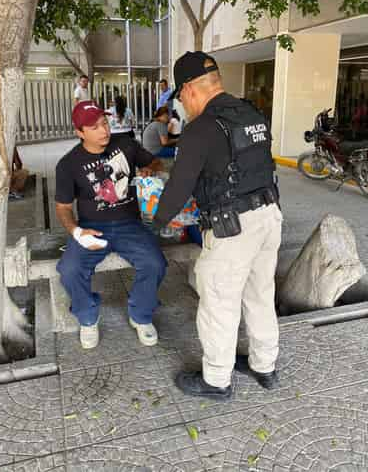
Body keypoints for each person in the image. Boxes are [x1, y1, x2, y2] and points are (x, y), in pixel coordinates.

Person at [153, 51, 282, 401]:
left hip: (234, 228)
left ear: (191, 89)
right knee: (260, 294)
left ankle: (216, 380)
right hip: (269, 217)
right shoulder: (250, 112)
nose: (181, 104)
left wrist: (157, 222)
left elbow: (179, 186)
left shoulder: (203, 128)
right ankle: (264, 365)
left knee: (219, 303)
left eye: (180, 96)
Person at [55, 100, 167, 350]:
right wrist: (77, 232)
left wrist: (150, 168)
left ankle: (141, 315)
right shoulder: (68, 164)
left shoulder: (125, 144)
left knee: (155, 263)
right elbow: (62, 208)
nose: (103, 130)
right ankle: (87, 318)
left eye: (104, 123)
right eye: (94, 127)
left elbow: (156, 162)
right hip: (92, 226)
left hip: (130, 223)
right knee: (69, 269)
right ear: (79, 132)